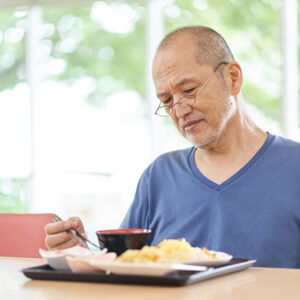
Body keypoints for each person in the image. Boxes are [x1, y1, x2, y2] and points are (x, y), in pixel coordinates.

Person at [45, 26, 300, 268]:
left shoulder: (293, 167)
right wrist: (81, 254)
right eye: (166, 101)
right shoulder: (159, 176)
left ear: (232, 78)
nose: (179, 110)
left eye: (189, 90)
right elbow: (124, 271)